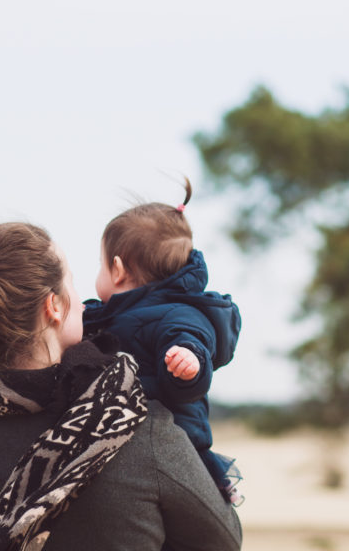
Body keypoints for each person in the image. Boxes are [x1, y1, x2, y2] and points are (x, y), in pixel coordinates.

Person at [0, 222, 242, 551]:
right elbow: (224, 541)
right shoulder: (141, 426)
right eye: (72, 283)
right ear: (53, 307)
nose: (84, 302)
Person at [83, 179, 243, 504]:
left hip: (175, 443)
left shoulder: (179, 314)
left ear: (117, 269)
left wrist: (189, 363)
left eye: (100, 264)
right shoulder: (113, 314)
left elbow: (191, 340)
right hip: (127, 437)